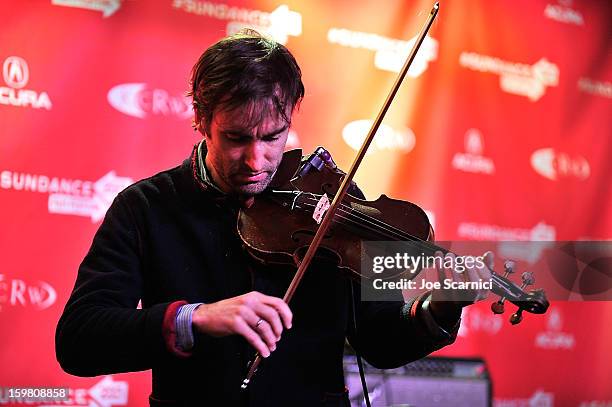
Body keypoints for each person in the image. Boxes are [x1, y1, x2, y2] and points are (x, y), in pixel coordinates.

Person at [56, 30, 491, 406]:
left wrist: (441, 306)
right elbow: (79, 341)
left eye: (272, 137)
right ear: (201, 120)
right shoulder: (145, 207)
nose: (255, 160)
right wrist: (196, 318)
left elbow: (380, 341)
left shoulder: (332, 202)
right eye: (236, 138)